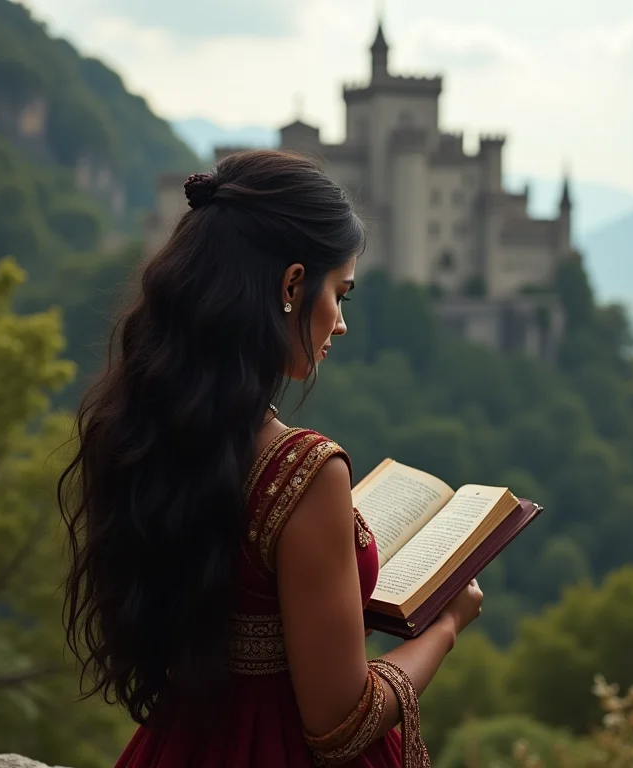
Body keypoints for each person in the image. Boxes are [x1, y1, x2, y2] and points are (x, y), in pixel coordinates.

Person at [58, 150, 484, 767]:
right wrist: (445, 625)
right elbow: (341, 721)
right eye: (339, 293)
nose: (339, 324)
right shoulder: (304, 471)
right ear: (291, 285)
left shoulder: (145, 431)